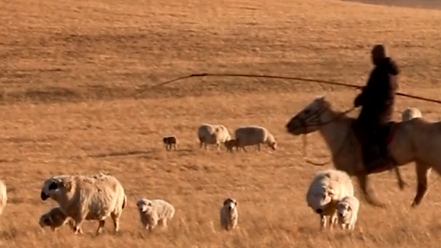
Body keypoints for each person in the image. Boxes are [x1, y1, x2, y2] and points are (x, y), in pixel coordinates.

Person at [353, 44, 400, 174]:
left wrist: (359, 100)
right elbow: (376, 89)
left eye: (373, 55)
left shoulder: (379, 71)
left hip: (378, 110)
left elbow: (372, 93)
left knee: (361, 126)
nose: (372, 58)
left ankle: (373, 159)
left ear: (379, 56)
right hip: (387, 108)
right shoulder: (391, 70)